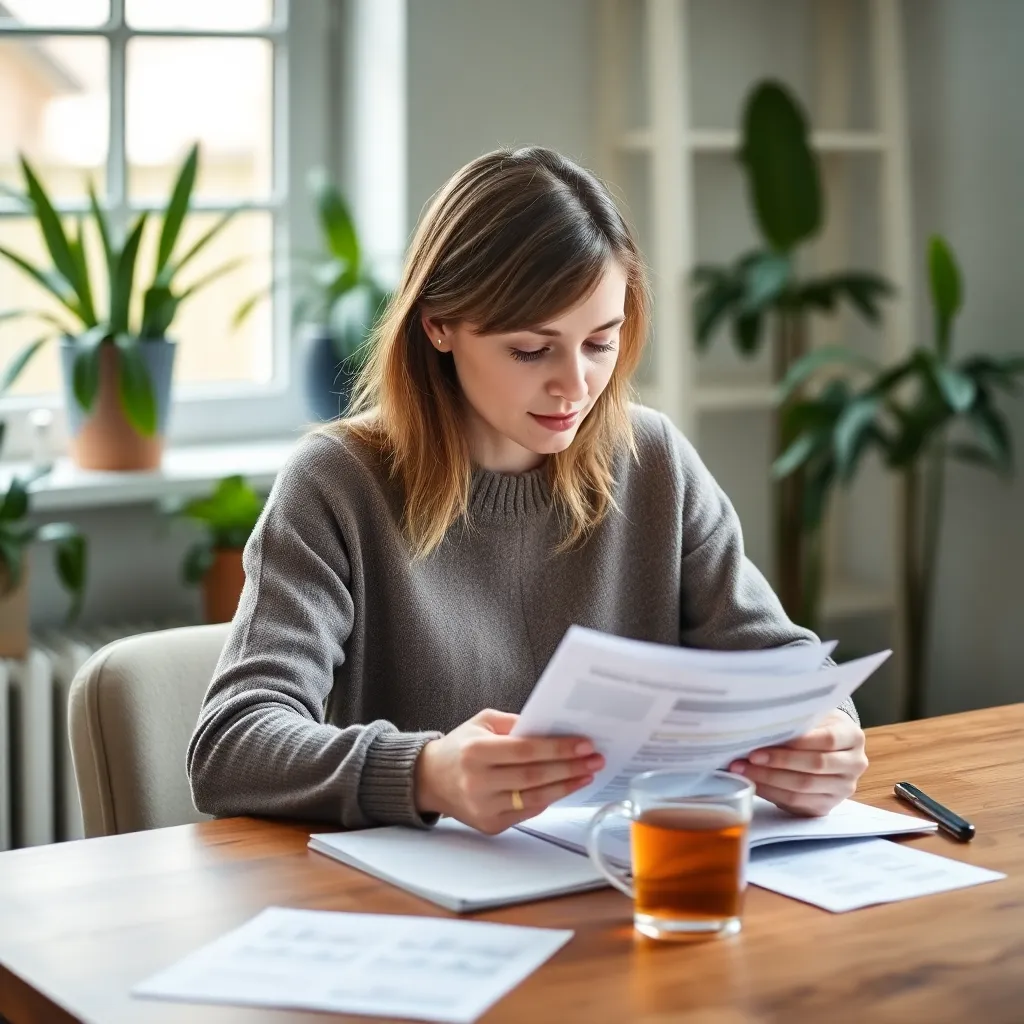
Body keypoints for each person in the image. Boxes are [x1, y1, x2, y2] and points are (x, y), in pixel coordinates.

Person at [187, 146, 867, 836]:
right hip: (418, 908)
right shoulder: (337, 483)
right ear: (439, 325)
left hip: (621, 889)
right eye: (532, 350)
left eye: (600, 343)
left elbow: (784, 667)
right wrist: (428, 773)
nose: (574, 386)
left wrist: (826, 732)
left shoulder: (653, 459)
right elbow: (231, 745)